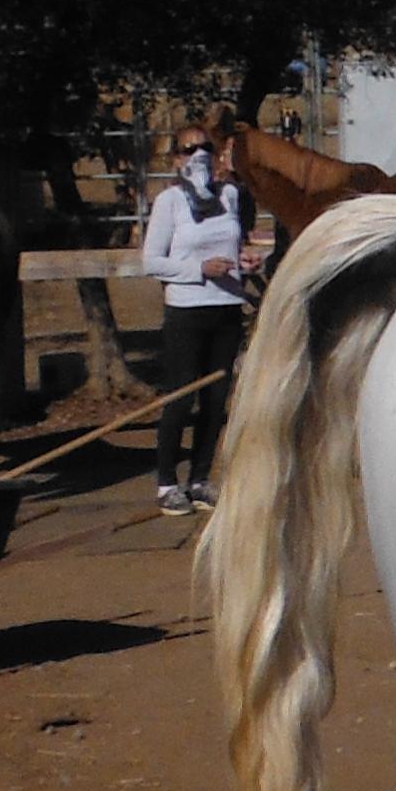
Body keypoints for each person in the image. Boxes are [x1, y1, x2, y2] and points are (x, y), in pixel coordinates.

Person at [140, 124, 259, 514]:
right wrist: (199, 268)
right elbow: (152, 261)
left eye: (206, 147)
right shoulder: (169, 202)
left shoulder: (229, 196)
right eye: (189, 149)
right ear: (176, 159)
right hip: (186, 311)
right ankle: (166, 483)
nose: (199, 156)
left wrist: (244, 261)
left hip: (225, 309)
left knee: (216, 398)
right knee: (180, 399)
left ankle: (200, 477)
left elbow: (234, 243)